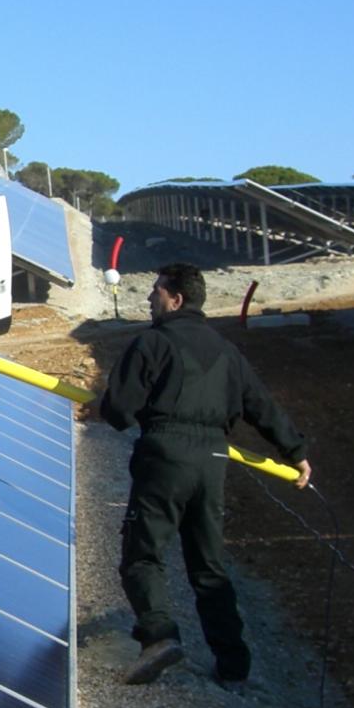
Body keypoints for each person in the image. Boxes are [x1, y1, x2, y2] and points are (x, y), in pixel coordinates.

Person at [95, 263, 312, 686]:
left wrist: (126, 405)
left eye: (155, 290)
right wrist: (296, 452)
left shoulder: (152, 343)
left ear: (175, 299)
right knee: (209, 565)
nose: (148, 297)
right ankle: (233, 666)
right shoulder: (226, 351)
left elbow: (118, 411)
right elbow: (261, 406)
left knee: (142, 555)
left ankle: (159, 636)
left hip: (165, 454)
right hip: (213, 458)